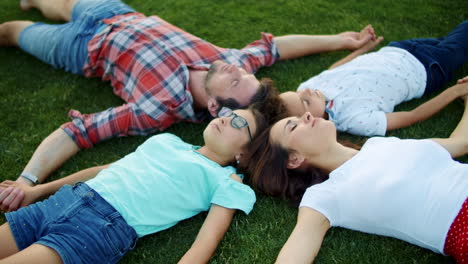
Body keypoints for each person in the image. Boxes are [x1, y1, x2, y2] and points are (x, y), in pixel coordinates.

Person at [0, 0, 375, 201]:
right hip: (114, 13)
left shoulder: (155, 109)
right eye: (243, 74)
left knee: (12, 32)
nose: (235, 68)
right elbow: (274, 47)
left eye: (235, 80)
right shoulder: (235, 64)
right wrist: (342, 42)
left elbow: (78, 132)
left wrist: (25, 179)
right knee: (57, 2)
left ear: (215, 108)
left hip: (82, 48)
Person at [0, 98, 277, 263]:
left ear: (244, 154)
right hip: (64, 199)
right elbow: (105, 169)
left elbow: (205, 242)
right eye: (229, 114)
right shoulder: (168, 141)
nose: (226, 119)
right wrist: (34, 191)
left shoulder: (226, 181)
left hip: (100, 228)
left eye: (239, 124)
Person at [240, 75, 468, 262]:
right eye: (294, 125)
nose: (307, 115)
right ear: (294, 159)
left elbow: (460, 143)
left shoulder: (379, 143)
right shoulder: (324, 196)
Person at [280, 21, 468, 137]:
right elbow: (412, 116)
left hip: (399, 49)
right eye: (305, 101)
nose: (305, 91)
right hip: (427, 68)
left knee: (455, 40)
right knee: (461, 39)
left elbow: (333, 71)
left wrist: (364, 49)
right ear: (309, 119)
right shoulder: (355, 121)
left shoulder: (309, 87)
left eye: (297, 92)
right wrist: (455, 91)